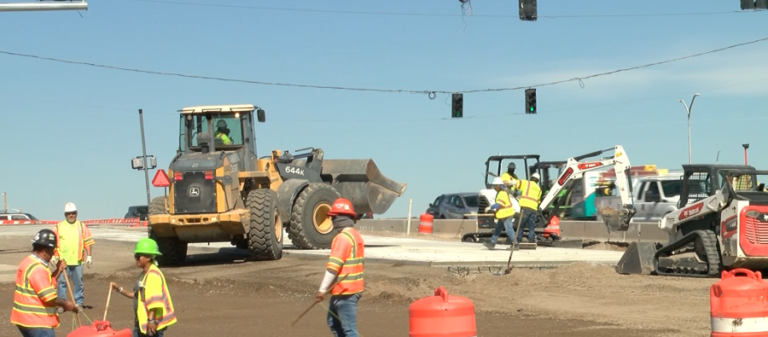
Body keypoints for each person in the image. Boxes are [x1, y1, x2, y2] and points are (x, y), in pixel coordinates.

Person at [10, 229, 79, 337]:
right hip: (37, 322)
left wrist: (58, 271)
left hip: (23, 320)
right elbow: (49, 297)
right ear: (44, 251)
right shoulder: (38, 269)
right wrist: (67, 304)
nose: (52, 254)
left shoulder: (26, 262)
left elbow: (44, 285)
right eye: (52, 251)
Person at [315, 198, 365, 337]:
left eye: (333, 218)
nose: (332, 221)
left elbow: (333, 267)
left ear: (339, 218)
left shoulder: (342, 238)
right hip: (351, 290)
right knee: (333, 322)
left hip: (345, 291)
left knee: (349, 329)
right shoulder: (356, 237)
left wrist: (322, 290)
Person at [109, 238, 177, 337]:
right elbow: (136, 295)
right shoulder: (144, 274)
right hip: (142, 322)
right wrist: (119, 289)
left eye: (138, 256)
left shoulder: (153, 275)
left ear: (149, 257)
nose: (136, 259)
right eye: (135, 256)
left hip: (153, 324)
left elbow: (155, 302)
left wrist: (150, 321)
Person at [52, 202, 93, 312]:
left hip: (77, 260)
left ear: (76, 213)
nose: (71, 215)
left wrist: (89, 256)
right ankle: (62, 304)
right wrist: (54, 256)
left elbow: (87, 241)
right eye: (69, 213)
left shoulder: (81, 226)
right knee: (61, 283)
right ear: (65, 214)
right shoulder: (58, 227)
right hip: (62, 261)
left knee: (78, 283)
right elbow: (53, 242)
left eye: (73, 213)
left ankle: (78, 303)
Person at [483, 177, 517, 250]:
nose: (495, 187)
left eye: (496, 186)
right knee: (498, 229)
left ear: (500, 186)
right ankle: (492, 243)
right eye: (495, 186)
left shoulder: (502, 193)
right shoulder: (500, 193)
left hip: (506, 214)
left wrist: (490, 207)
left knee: (509, 230)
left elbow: (499, 204)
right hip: (503, 214)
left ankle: (515, 244)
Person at [514, 173, 543, 244]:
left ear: (531, 178)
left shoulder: (526, 183)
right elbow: (538, 200)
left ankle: (518, 239)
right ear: (538, 181)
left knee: (521, 225)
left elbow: (516, 183)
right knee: (531, 226)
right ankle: (531, 240)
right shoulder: (539, 189)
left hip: (525, 207)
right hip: (533, 209)